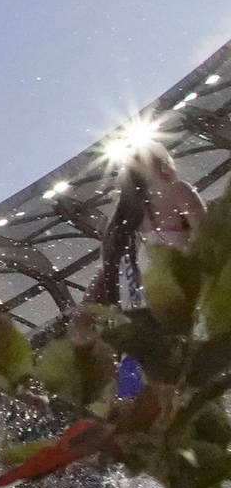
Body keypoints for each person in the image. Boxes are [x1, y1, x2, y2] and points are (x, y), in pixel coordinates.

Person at [87, 139, 206, 398]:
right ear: (163, 166)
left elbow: (100, 284)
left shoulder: (119, 220)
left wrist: (83, 321)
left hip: (139, 331)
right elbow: (211, 243)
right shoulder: (176, 190)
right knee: (195, 402)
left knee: (146, 412)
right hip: (179, 315)